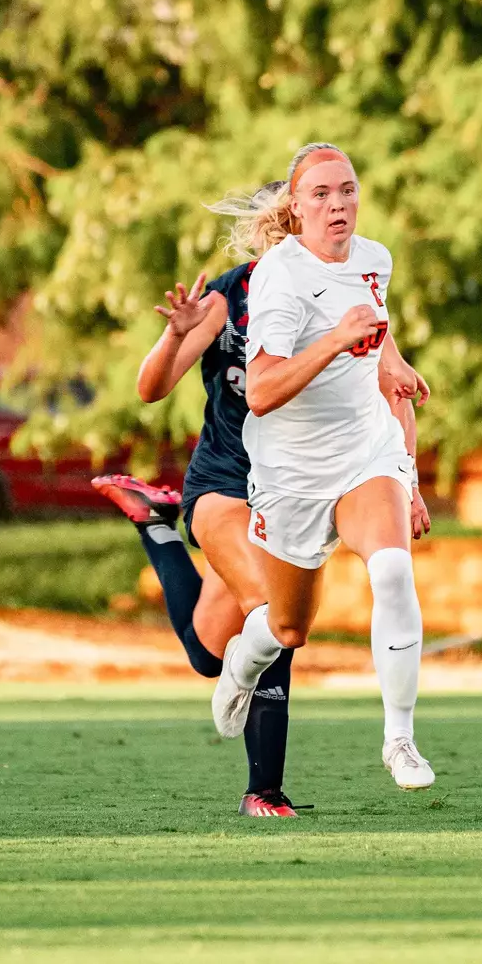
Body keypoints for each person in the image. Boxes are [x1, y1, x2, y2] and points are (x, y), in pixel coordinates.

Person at [93, 182, 431, 815]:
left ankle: (156, 528)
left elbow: (393, 390)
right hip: (227, 480)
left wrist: (404, 480)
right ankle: (264, 791)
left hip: (304, 485)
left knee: (208, 651)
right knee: (274, 613)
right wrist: (175, 337)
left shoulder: (353, 283)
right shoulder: (235, 295)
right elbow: (151, 388)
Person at [208, 142, 437, 791]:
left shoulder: (375, 259)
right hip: (295, 473)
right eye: (322, 194)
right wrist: (338, 341)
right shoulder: (278, 279)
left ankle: (399, 739)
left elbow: (371, 316)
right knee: (287, 626)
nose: (338, 204)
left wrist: (388, 355)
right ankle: (241, 666)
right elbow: (261, 391)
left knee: (392, 570)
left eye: (348, 190)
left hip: (367, 450)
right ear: (297, 209)